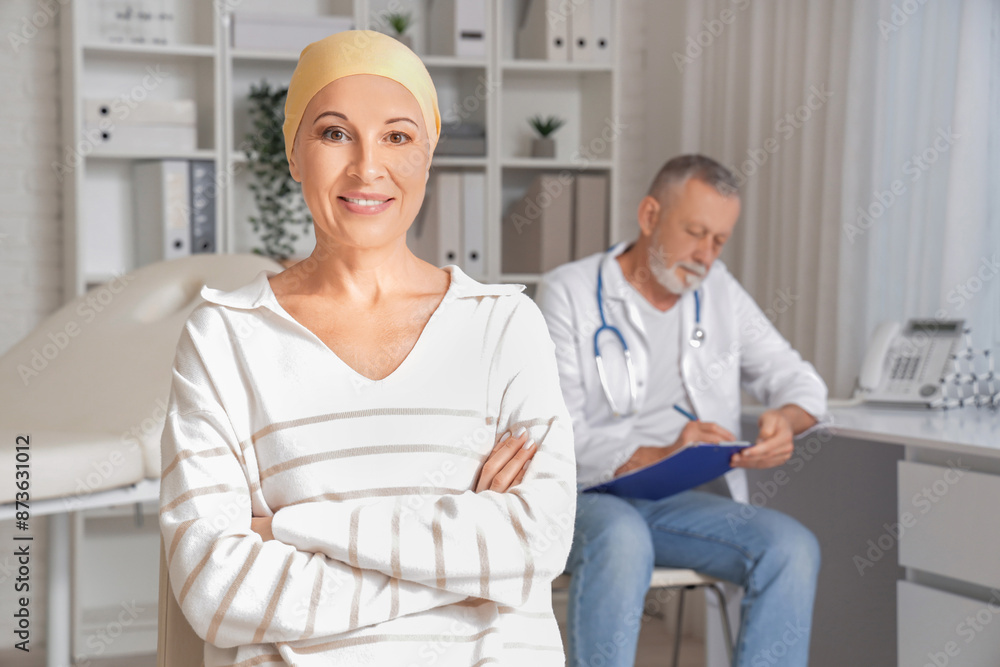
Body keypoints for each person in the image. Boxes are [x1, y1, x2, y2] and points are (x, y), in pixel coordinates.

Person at [158, 30, 576, 666]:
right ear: (294, 153)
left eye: (398, 136)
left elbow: (537, 543)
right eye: (333, 133)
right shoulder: (224, 336)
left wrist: (292, 529)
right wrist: (463, 572)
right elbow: (217, 591)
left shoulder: (504, 326)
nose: (366, 167)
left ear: (428, 155)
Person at [535, 154, 827, 667]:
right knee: (622, 538)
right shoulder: (570, 292)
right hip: (587, 496)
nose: (705, 255)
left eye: (719, 240)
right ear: (650, 216)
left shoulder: (719, 292)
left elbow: (800, 381)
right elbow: (556, 434)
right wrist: (660, 451)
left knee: (791, 548)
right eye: (694, 232)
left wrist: (788, 419)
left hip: (678, 501)